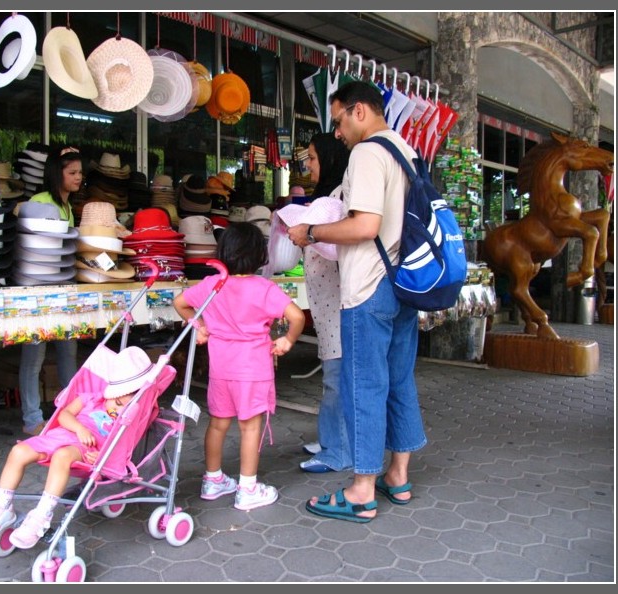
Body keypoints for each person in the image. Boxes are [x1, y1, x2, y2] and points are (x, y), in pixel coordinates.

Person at [287, 80, 427, 523]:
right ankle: (398, 477)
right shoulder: (406, 149)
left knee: (363, 384)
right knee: (399, 379)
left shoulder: (368, 153)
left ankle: (362, 489)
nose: (337, 131)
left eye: (339, 119)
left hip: (368, 286)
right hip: (404, 283)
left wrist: (311, 232)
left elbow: (365, 225)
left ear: (360, 111)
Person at [173, 222, 306, 511]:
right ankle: (247, 488)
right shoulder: (264, 288)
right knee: (249, 428)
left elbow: (179, 302)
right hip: (253, 371)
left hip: (220, 369)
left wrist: (201, 326)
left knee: (218, 424)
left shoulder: (212, 284)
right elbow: (297, 317)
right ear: (260, 254)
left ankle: (212, 480)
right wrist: (287, 341)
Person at [0, 346, 155, 549]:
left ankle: (42, 514)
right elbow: (64, 415)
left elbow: (122, 444)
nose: (116, 408)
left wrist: (104, 458)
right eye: (116, 401)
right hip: (61, 435)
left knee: (62, 455)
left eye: (123, 406)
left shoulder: (126, 418)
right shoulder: (91, 397)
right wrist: (79, 428)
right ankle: (2, 507)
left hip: (85, 449)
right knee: (18, 451)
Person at [297, 132, 353, 473]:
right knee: (332, 377)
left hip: (340, 305)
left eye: (314, 158)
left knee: (337, 379)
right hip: (328, 307)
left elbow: (337, 248)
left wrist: (309, 233)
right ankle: (329, 439)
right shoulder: (329, 196)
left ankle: (337, 451)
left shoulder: (339, 200)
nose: (308, 165)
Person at [18, 147, 83, 436]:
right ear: (57, 174)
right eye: (72, 173)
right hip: (37, 290)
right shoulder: (40, 202)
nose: (79, 177)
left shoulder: (67, 207)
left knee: (68, 350)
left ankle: (68, 412)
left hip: (61, 286)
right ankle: (32, 418)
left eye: (80, 172)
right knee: (34, 356)